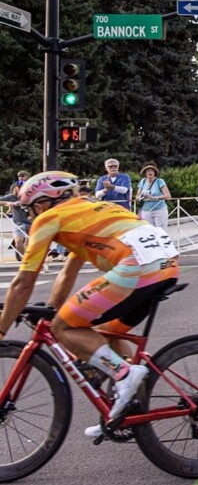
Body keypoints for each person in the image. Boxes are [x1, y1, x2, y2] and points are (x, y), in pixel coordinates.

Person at [0, 172, 179, 431]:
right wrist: (52, 310)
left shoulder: (49, 218)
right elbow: (68, 272)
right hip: (166, 265)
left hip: (137, 268)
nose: (30, 216)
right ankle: (130, 407)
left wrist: (2, 330)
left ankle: (124, 374)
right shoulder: (91, 209)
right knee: (106, 332)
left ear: (42, 203)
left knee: (63, 328)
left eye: (30, 209)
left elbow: (23, 283)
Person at [136, 163, 170, 231]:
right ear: (145, 173)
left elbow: (168, 196)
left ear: (155, 172)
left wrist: (153, 198)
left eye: (152, 170)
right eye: (148, 170)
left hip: (159, 210)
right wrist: (139, 198)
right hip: (146, 211)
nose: (150, 172)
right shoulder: (143, 181)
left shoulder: (159, 181)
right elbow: (137, 196)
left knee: (161, 231)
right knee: (149, 232)